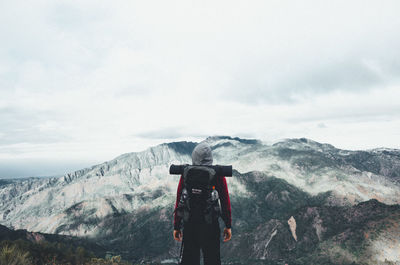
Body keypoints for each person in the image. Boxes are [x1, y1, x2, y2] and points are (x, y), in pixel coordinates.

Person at [173, 142, 232, 265]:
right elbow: (225, 201)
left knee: (189, 260)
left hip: (190, 224)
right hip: (210, 225)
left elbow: (179, 200)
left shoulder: (186, 173)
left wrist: (176, 226)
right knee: (212, 260)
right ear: (210, 158)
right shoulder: (217, 174)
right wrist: (228, 225)